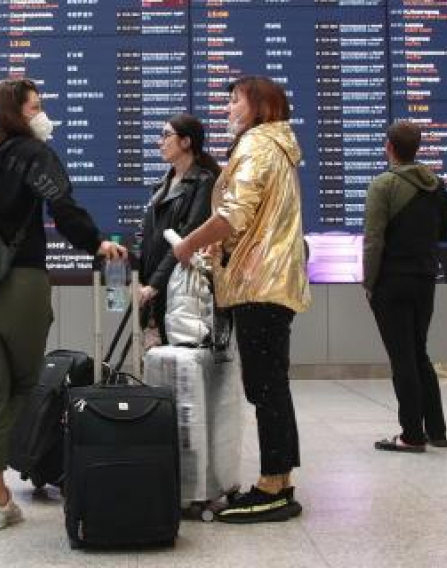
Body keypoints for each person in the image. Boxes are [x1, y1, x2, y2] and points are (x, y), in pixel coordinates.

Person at [0, 78, 125, 530]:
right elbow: (62, 207)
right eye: (35, 107)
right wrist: (96, 243)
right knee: (23, 387)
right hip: (19, 286)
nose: (42, 114)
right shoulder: (32, 154)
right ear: (14, 113)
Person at [172, 76, 308, 523]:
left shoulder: (256, 145)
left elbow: (233, 214)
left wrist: (188, 244)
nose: (228, 108)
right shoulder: (277, 147)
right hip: (270, 281)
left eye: (235, 100)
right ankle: (279, 480)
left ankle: (272, 488)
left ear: (260, 106)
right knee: (271, 385)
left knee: (266, 387)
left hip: (258, 282)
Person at [363, 120, 447, 453]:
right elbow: (446, 233)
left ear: (389, 147)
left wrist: (369, 281)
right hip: (425, 279)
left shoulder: (383, 185)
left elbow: (374, 240)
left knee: (402, 358)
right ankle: (437, 430)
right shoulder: (436, 185)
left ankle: (412, 435)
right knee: (418, 352)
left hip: (391, 281)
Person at [139, 114, 220, 347]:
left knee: (183, 357)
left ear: (186, 142)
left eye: (166, 135)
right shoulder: (162, 185)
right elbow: (147, 238)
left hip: (182, 289)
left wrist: (154, 284)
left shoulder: (203, 181)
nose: (160, 142)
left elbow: (187, 237)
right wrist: (141, 280)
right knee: (157, 360)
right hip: (155, 288)